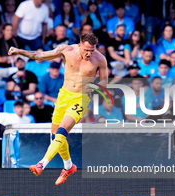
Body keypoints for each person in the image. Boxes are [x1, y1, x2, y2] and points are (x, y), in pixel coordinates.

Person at [8, 33, 107, 185]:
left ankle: (41, 163)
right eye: (87, 50)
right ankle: (68, 166)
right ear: (79, 45)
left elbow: (104, 84)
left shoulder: (100, 59)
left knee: (62, 131)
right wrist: (20, 51)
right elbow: (40, 56)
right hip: (63, 97)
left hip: (81, 98)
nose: (89, 53)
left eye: (92, 50)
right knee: (56, 136)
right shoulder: (66, 50)